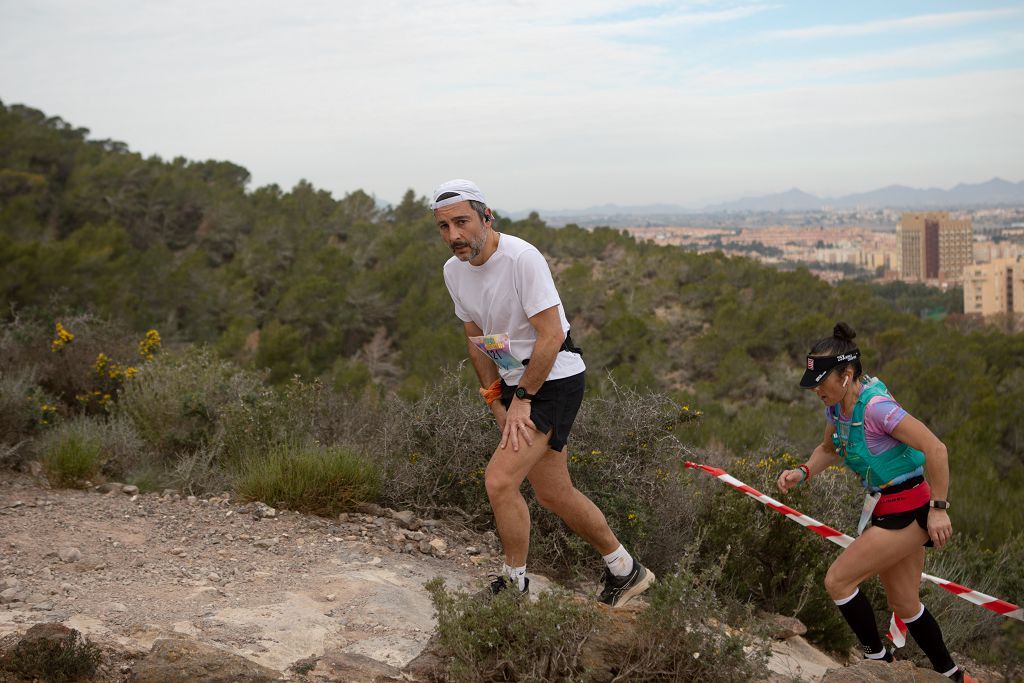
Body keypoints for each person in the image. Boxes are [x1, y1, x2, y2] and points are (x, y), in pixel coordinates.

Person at [432, 178, 653, 607]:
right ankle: (626, 570)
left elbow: (550, 336)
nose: (454, 236)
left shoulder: (521, 258)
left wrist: (523, 401)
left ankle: (514, 586)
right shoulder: (453, 271)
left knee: (499, 480)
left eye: (462, 222)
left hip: (554, 378)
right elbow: (475, 334)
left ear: (486, 216)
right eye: (444, 227)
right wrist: (495, 397)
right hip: (517, 384)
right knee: (555, 493)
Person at [778, 322, 974, 682]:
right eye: (814, 383)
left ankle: (877, 660)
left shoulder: (877, 409)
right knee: (905, 603)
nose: (817, 390)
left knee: (837, 581)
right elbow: (828, 449)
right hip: (887, 506)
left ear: (847, 374)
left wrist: (939, 509)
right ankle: (953, 675)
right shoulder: (837, 410)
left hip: (911, 510)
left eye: (823, 381)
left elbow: (936, 448)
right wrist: (803, 471)